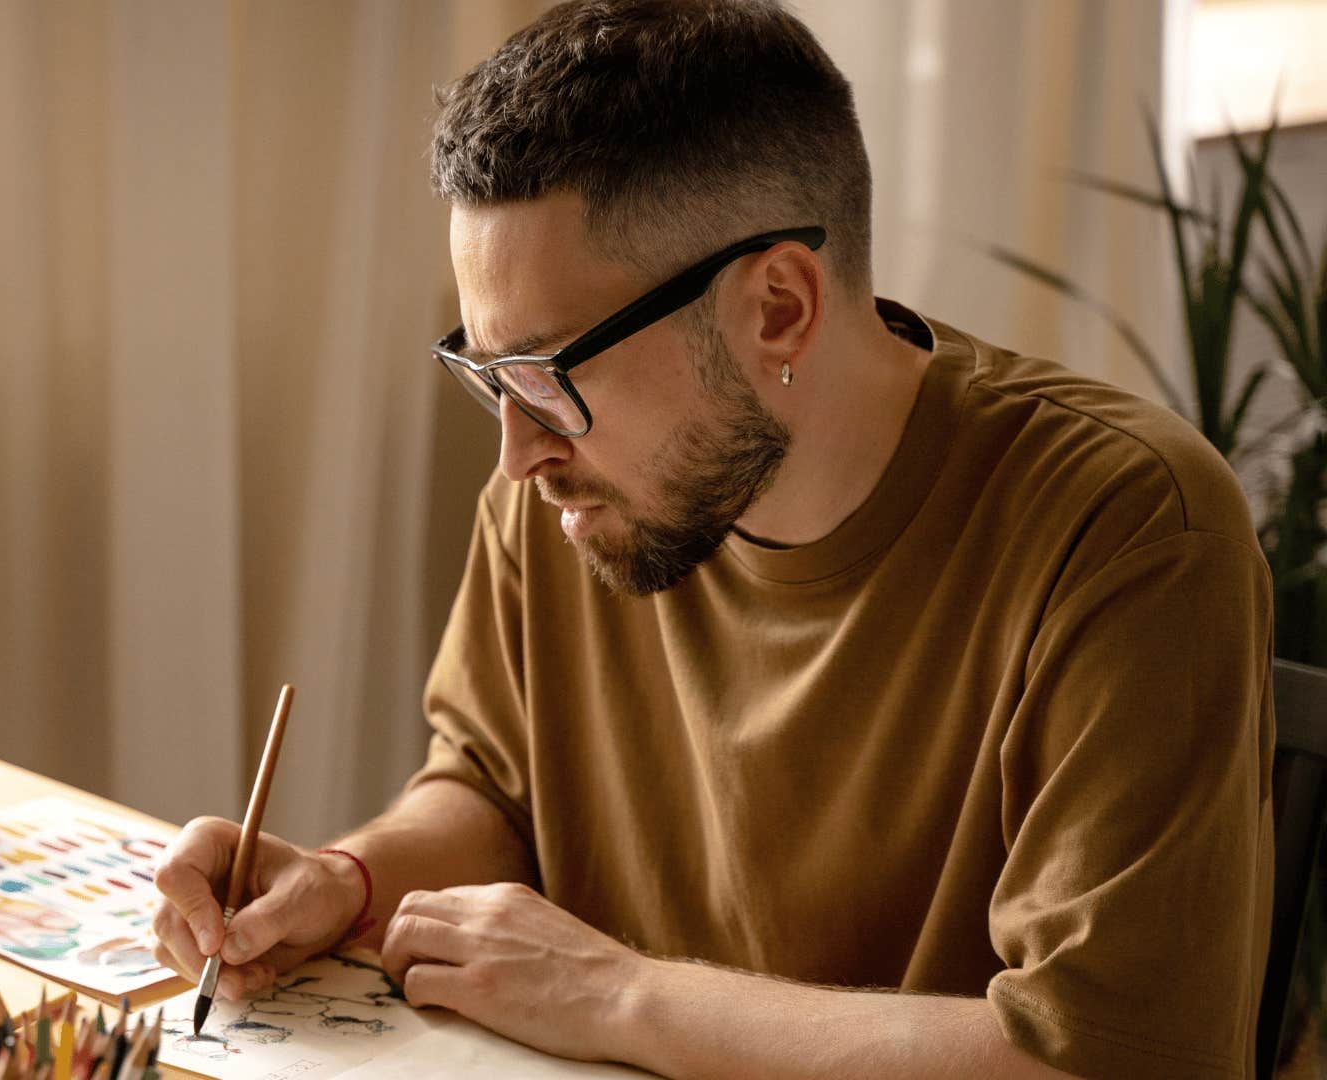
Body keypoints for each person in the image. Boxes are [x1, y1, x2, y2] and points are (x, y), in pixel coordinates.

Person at [151, 2, 1274, 1077]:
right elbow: (494, 793)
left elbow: (1108, 1061)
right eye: (487, 374)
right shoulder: (572, 488)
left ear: (779, 306)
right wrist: (349, 880)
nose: (514, 454)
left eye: (547, 373)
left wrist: (616, 996)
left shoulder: (1127, 530)